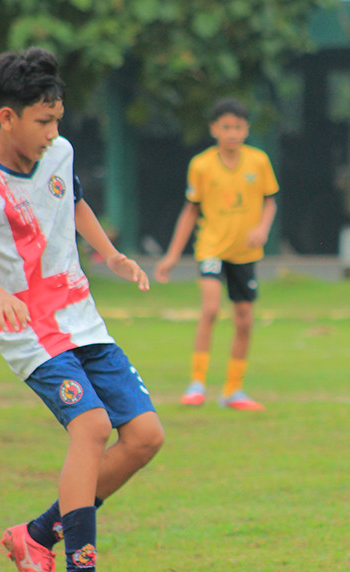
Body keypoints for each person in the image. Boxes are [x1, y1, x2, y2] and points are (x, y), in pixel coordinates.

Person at [0, 47, 162, 572]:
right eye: (42, 121)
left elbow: (74, 202)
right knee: (91, 427)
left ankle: (37, 535)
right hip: (29, 330)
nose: (53, 132)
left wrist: (112, 255)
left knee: (144, 436)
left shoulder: (60, 151)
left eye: (57, 119)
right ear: (6, 116)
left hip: (81, 317)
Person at [155, 98, 279, 411]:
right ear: (214, 129)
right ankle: (197, 383)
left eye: (238, 127)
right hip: (211, 248)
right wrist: (171, 256)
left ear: (246, 129)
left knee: (245, 320)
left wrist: (263, 228)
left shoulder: (259, 161)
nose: (233, 133)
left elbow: (270, 202)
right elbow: (190, 211)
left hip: (245, 254)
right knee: (210, 309)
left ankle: (233, 391)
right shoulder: (201, 165)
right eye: (226, 127)